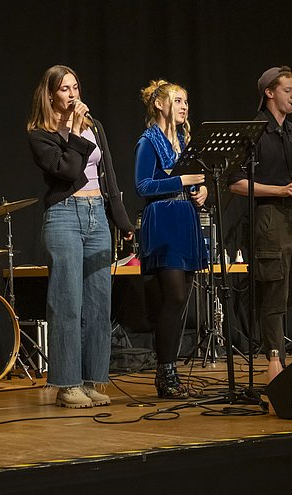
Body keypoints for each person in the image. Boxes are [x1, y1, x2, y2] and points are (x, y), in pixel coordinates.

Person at [27, 65, 134, 408]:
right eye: (64, 89)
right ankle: (67, 384)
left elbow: (108, 175)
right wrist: (73, 131)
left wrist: (122, 221)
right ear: (50, 95)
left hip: (97, 214)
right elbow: (69, 170)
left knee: (99, 303)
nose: (73, 94)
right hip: (64, 215)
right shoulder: (40, 134)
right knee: (67, 302)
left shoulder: (94, 126)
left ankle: (91, 380)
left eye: (75, 87)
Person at [227, 66, 292, 366]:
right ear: (269, 92)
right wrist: (281, 190)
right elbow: (234, 183)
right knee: (275, 296)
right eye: (288, 90)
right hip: (271, 217)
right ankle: (276, 363)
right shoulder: (253, 131)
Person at [135, 80, 208, 398]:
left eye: (186, 102)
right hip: (163, 220)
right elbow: (142, 185)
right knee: (174, 297)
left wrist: (200, 191)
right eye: (178, 100)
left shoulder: (183, 141)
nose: (184, 107)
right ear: (159, 104)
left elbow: (193, 181)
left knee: (181, 302)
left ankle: (170, 373)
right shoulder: (148, 141)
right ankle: (165, 373)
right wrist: (181, 180)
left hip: (185, 219)